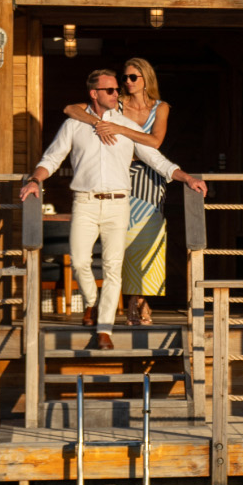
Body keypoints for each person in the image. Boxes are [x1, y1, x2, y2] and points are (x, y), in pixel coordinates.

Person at [22, 68, 205, 348]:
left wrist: (187, 177)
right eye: (109, 90)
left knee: (112, 268)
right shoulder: (74, 124)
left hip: (120, 205)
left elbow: (157, 160)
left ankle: (104, 330)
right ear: (94, 94)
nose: (116, 94)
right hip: (84, 202)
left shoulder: (126, 126)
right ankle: (92, 303)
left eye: (117, 89)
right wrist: (35, 179)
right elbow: (52, 157)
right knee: (81, 261)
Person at [62, 56, 170, 326]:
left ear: (146, 79)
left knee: (146, 239)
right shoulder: (116, 102)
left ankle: (142, 298)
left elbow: (155, 141)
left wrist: (120, 128)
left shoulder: (160, 107)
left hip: (148, 177)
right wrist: (97, 123)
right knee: (119, 245)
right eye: (125, 78)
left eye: (133, 77)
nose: (127, 82)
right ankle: (123, 302)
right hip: (118, 177)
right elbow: (70, 109)